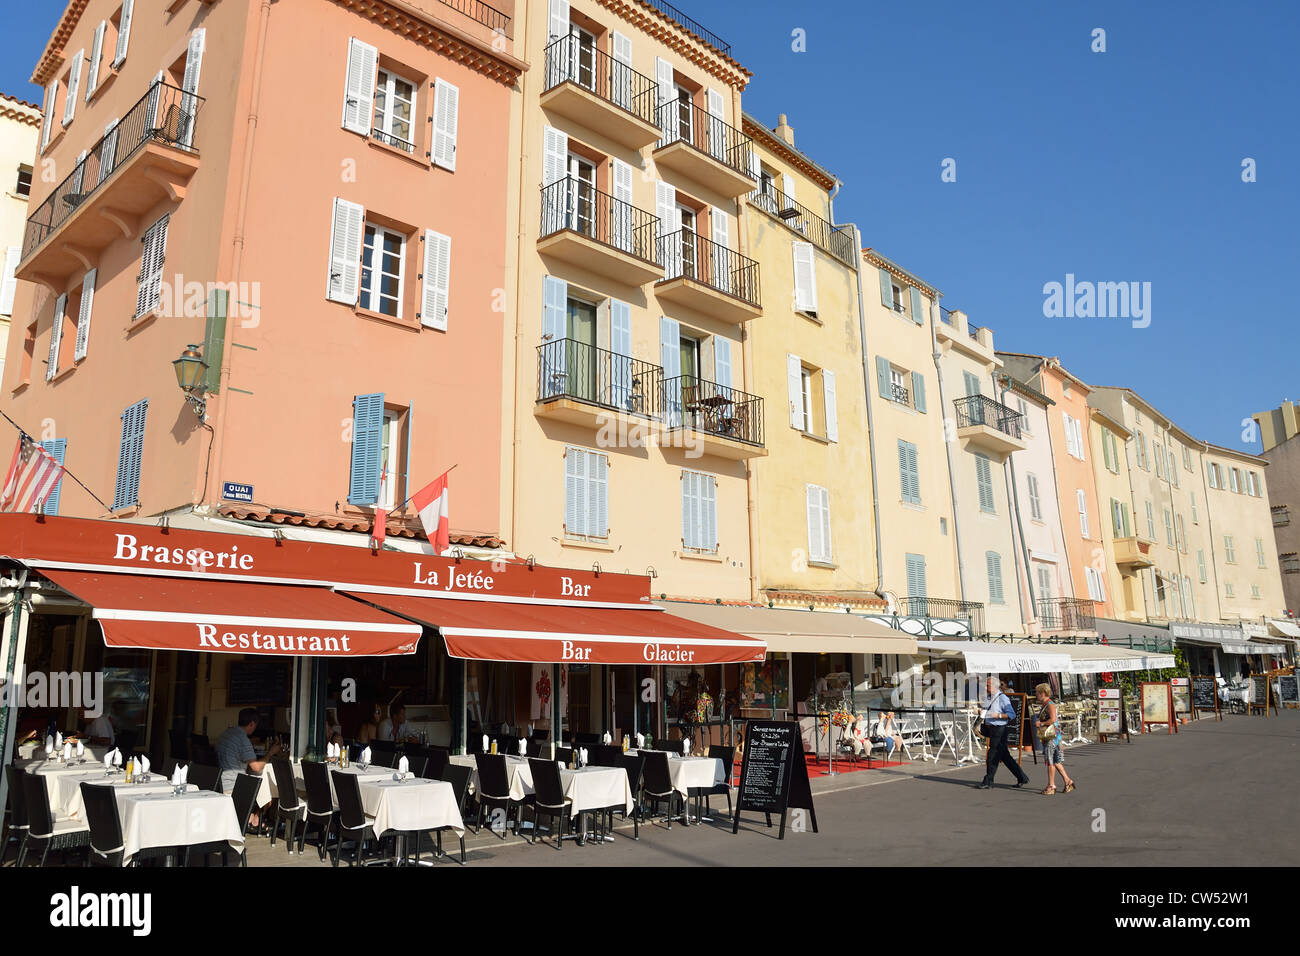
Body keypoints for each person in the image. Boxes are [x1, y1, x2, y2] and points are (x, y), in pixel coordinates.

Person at [975, 677, 1030, 790]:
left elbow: (1012, 714)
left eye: (988, 685)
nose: (986, 687)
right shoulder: (989, 697)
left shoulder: (1003, 698)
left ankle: (988, 781)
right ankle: (1022, 777)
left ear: (995, 686)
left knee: (992, 755)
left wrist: (998, 715)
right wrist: (981, 711)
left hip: (1000, 729)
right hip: (991, 729)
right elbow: (986, 711)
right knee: (1005, 757)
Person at [215, 708, 280, 798]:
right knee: (266, 790)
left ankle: (253, 811)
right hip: (233, 785)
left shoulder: (227, 733)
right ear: (252, 724)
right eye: (255, 726)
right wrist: (271, 752)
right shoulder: (243, 739)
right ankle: (253, 812)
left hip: (220, 781)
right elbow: (256, 767)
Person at [1033, 683, 1075, 795]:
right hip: (1053, 736)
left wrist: (1041, 724)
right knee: (1055, 761)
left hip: (1052, 736)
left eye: (1037, 692)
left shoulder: (1049, 704)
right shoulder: (1046, 704)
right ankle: (1068, 781)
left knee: (1050, 760)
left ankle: (1051, 785)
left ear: (1042, 693)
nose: (1036, 694)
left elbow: (1053, 719)